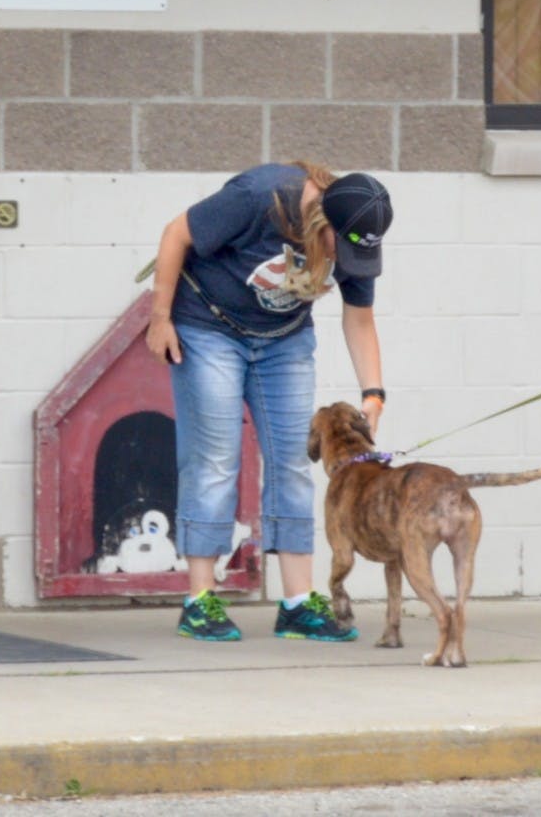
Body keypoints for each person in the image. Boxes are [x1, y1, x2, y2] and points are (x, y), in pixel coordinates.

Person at [145, 161, 393, 642]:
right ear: (320, 225)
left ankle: (297, 605)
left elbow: (359, 319)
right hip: (208, 327)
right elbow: (176, 233)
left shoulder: (357, 235)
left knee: (293, 462)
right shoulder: (261, 197)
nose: (343, 266)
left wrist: (374, 393)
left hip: (283, 340)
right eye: (336, 251)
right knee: (216, 458)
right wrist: (160, 318)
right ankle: (199, 602)